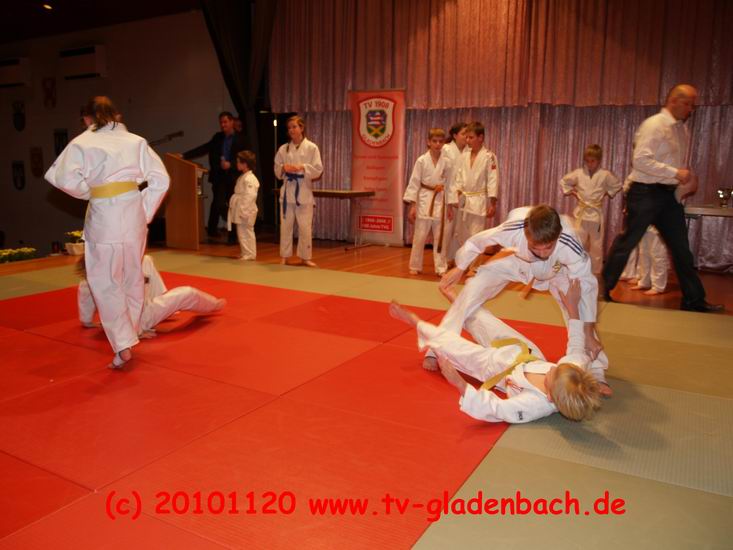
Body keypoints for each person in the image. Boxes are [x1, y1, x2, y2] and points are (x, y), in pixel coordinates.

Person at [45, 96, 169, 368]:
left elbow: (61, 177)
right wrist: (144, 211)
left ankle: (123, 343)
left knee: (105, 281)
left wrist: (90, 191)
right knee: (132, 277)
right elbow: (161, 179)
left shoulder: (82, 142)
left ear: (87, 118)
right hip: (134, 215)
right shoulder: (136, 141)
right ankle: (130, 333)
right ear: (117, 116)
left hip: (104, 217)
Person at [436, 205, 607, 395]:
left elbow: (587, 286)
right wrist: (460, 267)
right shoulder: (513, 229)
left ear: (558, 236)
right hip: (518, 262)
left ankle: (596, 369)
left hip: (557, 270)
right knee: (474, 287)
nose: (542, 253)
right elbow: (477, 242)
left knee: (577, 306)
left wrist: (588, 332)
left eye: (548, 247)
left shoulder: (569, 242)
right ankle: (440, 347)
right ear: (526, 235)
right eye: (536, 247)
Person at [388, 279, 604, 424]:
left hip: (497, 368)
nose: (552, 367)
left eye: (552, 373)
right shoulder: (570, 371)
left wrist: (459, 383)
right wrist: (573, 307)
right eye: (556, 367)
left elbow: (498, 409)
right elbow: (577, 346)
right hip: (526, 351)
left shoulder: (534, 405)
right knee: (485, 322)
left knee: (453, 347)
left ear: (549, 396)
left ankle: (416, 323)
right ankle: (459, 301)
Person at [602, 84, 722, 312]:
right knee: (628, 241)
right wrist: (675, 173)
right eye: (687, 104)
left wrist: (680, 183)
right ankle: (602, 290)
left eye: (692, 105)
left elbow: (674, 167)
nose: (690, 109)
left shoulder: (682, 130)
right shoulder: (655, 125)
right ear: (673, 101)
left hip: (667, 196)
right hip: (644, 192)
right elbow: (640, 160)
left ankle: (694, 300)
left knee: (681, 248)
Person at [78, 255, 226, 342]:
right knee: (188, 293)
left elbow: (85, 301)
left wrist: (87, 321)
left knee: (146, 260)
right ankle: (213, 305)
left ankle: (161, 297)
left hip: (140, 309)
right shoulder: (106, 280)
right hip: (136, 320)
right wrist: (137, 331)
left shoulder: (92, 279)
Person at [183, 112, 249, 241]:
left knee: (232, 205)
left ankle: (232, 238)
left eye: (225, 122)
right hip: (219, 177)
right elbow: (204, 148)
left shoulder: (242, 139)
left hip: (234, 178)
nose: (223, 125)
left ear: (232, 122)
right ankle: (230, 225)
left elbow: (246, 158)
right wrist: (185, 155)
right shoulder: (218, 137)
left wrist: (231, 165)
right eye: (221, 122)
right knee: (219, 204)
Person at [559, 144, 622, 274]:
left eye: (592, 161)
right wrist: (573, 192)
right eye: (587, 161)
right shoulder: (578, 173)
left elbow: (617, 185)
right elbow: (564, 181)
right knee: (578, 241)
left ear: (599, 160)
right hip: (581, 214)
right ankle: (575, 267)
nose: (589, 164)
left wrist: (606, 193)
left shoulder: (605, 175)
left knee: (596, 246)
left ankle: (595, 272)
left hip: (595, 215)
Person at [274, 115, 323, 267]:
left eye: (294, 127)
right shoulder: (283, 148)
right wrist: (283, 168)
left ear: (301, 128)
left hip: (304, 191)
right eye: (289, 128)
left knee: (305, 227)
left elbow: (318, 170)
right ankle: (285, 256)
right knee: (285, 227)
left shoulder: (312, 148)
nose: (291, 130)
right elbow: (276, 169)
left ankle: (305, 257)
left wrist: (303, 167)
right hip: (287, 191)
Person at [403, 128, 453, 276]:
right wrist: (413, 206)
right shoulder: (421, 160)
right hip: (424, 200)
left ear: (443, 143)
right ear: (428, 142)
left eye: (440, 141)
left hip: (441, 200)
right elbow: (414, 182)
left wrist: (450, 206)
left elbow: (450, 184)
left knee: (441, 237)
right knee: (419, 236)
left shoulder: (447, 162)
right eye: (434, 141)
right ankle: (415, 265)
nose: (437, 144)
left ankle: (441, 267)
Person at [452, 121, 499, 264]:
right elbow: (458, 176)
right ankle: (463, 263)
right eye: (466, 137)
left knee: (476, 235)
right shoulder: (464, 155)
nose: (467, 140)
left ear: (481, 137)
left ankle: (474, 266)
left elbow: (493, 179)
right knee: (462, 234)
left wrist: (493, 203)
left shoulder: (489, 156)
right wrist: (457, 193)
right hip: (464, 200)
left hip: (479, 200)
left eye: (471, 137)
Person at [442, 122, 468, 263]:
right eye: (463, 133)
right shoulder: (446, 149)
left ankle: (453, 258)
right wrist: (449, 198)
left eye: (467, 134)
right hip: (447, 194)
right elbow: (442, 174)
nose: (466, 136)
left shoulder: (468, 151)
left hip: (462, 195)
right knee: (447, 229)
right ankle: (442, 260)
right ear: (454, 135)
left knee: (459, 230)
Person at [228, 151, 259, 260]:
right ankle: (245, 252)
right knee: (242, 232)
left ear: (245, 164)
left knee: (246, 231)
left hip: (246, 209)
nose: (237, 164)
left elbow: (250, 196)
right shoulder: (244, 176)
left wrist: (244, 210)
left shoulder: (250, 178)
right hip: (242, 207)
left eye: (238, 162)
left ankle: (250, 254)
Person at [620, 226, 669, 295]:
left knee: (657, 254)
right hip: (644, 225)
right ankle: (645, 281)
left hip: (658, 226)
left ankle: (658, 286)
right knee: (644, 253)